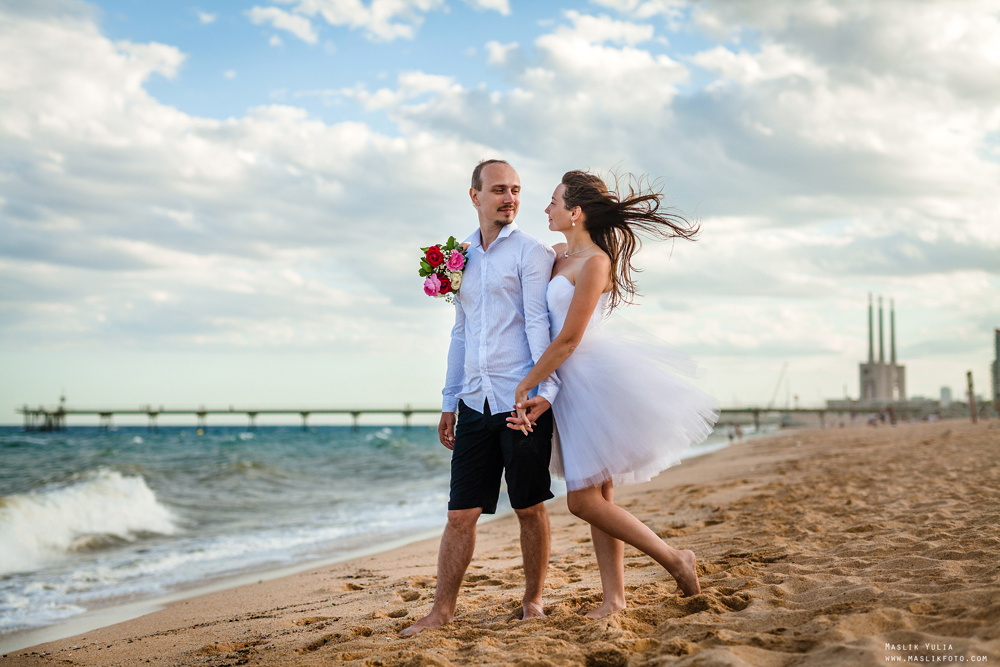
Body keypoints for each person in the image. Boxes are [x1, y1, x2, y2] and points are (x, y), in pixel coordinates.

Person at [509, 170, 719, 617]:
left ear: (575, 211)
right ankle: (615, 599)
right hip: (570, 384)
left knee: (582, 501)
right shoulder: (558, 254)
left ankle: (673, 558)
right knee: (599, 499)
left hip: (590, 382)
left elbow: (569, 338)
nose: (546, 208)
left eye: (553, 201)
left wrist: (528, 382)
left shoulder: (595, 263)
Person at [400, 159, 559, 636]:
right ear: (475, 196)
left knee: (529, 505)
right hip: (473, 401)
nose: (508, 198)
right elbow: (461, 332)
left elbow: (539, 326)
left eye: (514, 190)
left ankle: (533, 599)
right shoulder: (459, 255)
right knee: (459, 513)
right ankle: (441, 611)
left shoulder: (531, 253)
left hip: (520, 401)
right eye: (498, 190)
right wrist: (449, 401)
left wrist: (542, 392)